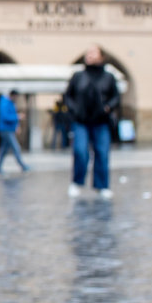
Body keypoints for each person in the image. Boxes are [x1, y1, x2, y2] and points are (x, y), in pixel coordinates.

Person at [63, 46, 119, 198]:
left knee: (102, 152)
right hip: (81, 120)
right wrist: (74, 110)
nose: (89, 55)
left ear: (101, 57)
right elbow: (68, 96)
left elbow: (116, 97)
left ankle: (102, 186)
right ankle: (76, 182)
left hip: (101, 121)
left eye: (93, 53)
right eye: (88, 53)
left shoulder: (108, 77)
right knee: (80, 151)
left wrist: (108, 107)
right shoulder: (78, 76)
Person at [0, 88, 29, 173]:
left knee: (4, 150)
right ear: (13, 95)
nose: (16, 99)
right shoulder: (4, 103)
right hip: (5, 129)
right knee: (16, 147)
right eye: (16, 97)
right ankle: (23, 166)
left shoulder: (10, 103)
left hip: (9, 129)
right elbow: (5, 116)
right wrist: (17, 116)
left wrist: (16, 126)